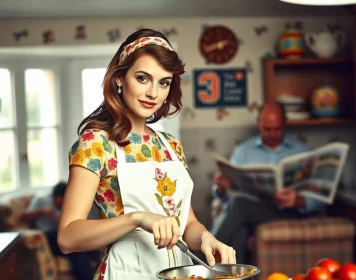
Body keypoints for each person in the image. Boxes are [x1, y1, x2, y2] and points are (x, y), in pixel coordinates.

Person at [57, 28, 236, 280]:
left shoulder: (171, 145)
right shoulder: (96, 143)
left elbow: (186, 224)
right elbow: (67, 237)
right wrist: (137, 219)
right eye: (143, 78)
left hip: (180, 274)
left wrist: (206, 236)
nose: (154, 93)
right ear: (120, 78)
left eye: (164, 82)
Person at [210, 101, 326, 264]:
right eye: (267, 129)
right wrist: (221, 189)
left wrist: (299, 200)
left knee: (240, 207)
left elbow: (321, 198)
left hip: (288, 214)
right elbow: (227, 199)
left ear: (285, 123)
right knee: (240, 230)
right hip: (252, 213)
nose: (272, 134)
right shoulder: (243, 151)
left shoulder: (302, 152)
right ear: (258, 124)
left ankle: (200, 261)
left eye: (277, 129)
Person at [23, 182, 100, 280]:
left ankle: (96, 258)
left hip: (62, 238)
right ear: (56, 197)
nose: (64, 203)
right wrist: (41, 212)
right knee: (72, 243)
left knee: (76, 248)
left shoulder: (68, 204)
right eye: (62, 200)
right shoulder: (41, 199)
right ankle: (95, 256)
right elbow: (23, 217)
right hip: (46, 238)